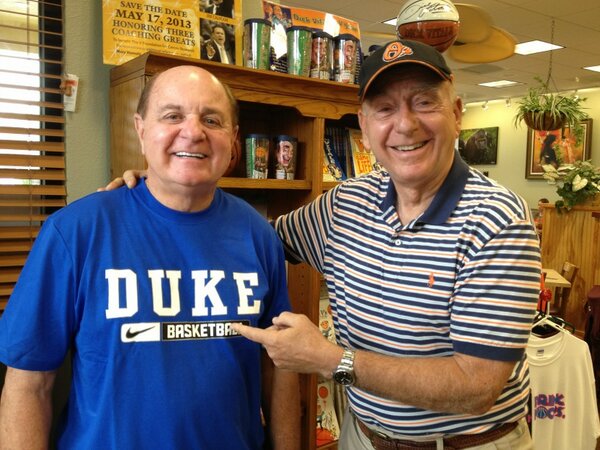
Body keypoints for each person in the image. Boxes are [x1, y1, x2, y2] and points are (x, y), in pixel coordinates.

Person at [106, 40, 542, 449]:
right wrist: (168, 187)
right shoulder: (345, 205)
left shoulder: (498, 219)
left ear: (457, 113)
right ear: (364, 127)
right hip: (363, 436)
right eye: (385, 108)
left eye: (425, 102)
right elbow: (247, 241)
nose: (406, 124)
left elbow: (476, 387)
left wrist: (332, 359)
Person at [0, 65, 299, 449]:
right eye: (172, 116)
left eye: (212, 120)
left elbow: (278, 365)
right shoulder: (74, 232)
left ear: (233, 139)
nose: (193, 131)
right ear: (141, 130)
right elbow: (29, 384)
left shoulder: (259, 235)